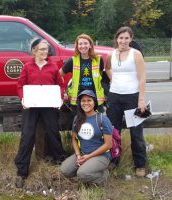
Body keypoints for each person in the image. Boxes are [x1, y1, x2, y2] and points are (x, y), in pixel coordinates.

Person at [14, 38, 68, 188]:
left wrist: (59, 98)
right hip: (31, 105)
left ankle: (60, 163)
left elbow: (60, 85)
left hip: (49, 105)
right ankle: (22, 171)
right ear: (34, 51)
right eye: (42, 49)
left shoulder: (53, 66)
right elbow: (20, 86)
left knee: (53, 132)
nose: (45, 52)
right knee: (27, 135)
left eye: (46, 49)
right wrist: (22, 99)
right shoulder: (27, 67)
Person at [105, 26, 147, 177]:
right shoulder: (111, 54)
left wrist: (141, 99)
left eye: (126, 38)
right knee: (113, 131)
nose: (123, 41)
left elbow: (142, 77)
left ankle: (140, 164)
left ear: (131, 39)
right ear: (116, 39)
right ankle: (114, 160)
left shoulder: (136, 54)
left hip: (133, 97)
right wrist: (114, 80)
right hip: (114, 97)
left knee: (136, 133)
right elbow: (108, 69)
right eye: (120, 38)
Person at [60, 90, 113, 185]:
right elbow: (74, 140)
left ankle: (103, 175)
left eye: (89, 100)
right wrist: (78, 155)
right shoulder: (77, 118)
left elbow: (108, 144)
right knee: (65, 170)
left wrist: (89, 157)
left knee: (82, 174)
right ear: (80, 103)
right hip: (83, 154)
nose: (86, 103)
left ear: (94, 103)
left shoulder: (102, 119)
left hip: (101, 156)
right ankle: (88, 172)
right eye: (83, 101)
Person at [60, 34, 107, 113]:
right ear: (77, 46)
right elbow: (58, 75)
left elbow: (100, 76)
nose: (83, 46)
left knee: (97, 123)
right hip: (78, 99)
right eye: (80, 44)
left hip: (96, 99)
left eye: (85, 43)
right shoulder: (72, 61)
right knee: (79, 123)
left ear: (90, 45)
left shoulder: (99, 59)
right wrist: (63, 91)